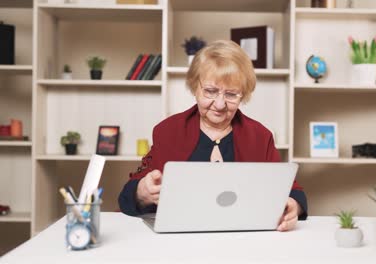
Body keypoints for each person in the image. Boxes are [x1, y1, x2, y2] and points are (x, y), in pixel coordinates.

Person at [118, 40, 308, 231]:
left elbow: (291, 190)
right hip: (180, 237)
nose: (219, 104)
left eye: (231, 94)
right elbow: (129, 193)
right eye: (210, 91)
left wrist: (294, 206)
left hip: (245, 237)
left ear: (244, 94)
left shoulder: (260, 136)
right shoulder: (169, 130)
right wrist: (141, 192)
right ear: (195, 87)